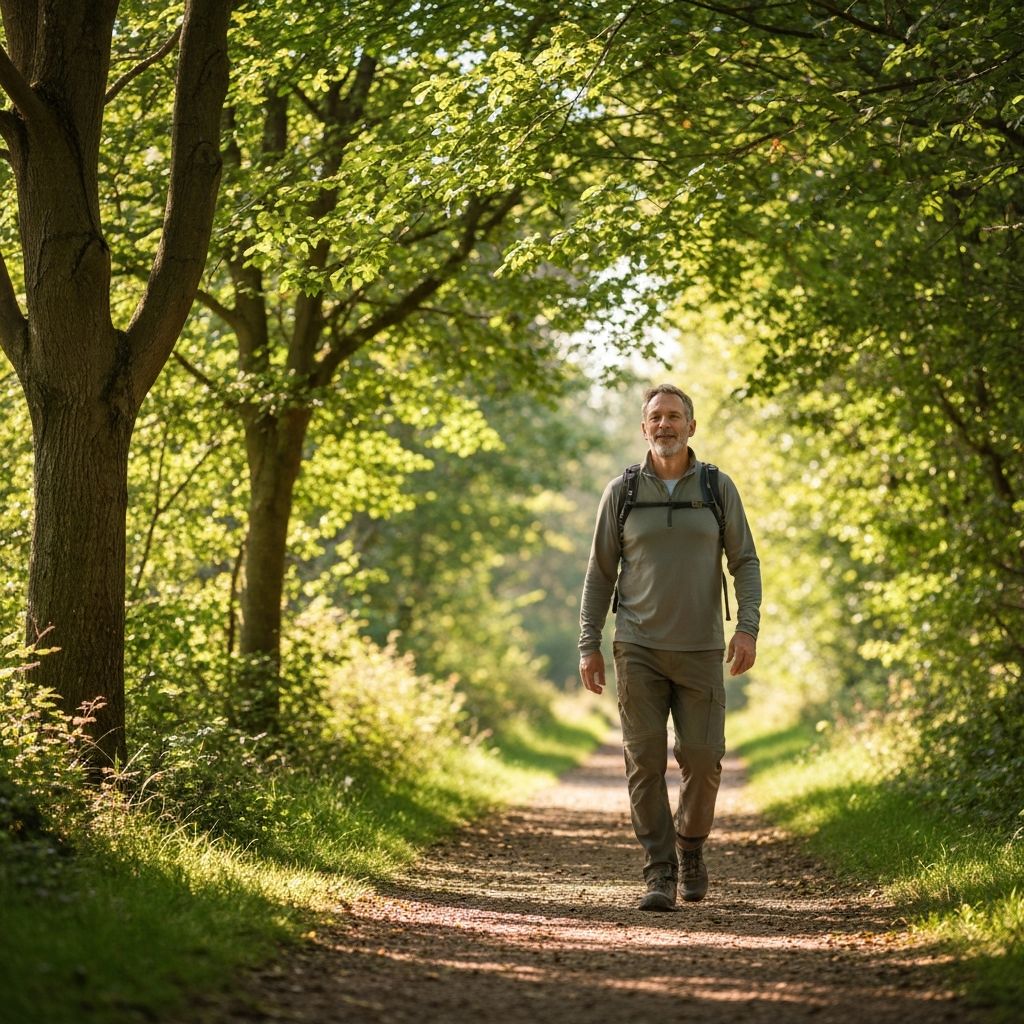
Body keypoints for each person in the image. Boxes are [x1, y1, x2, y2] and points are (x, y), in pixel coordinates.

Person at [579, 383, 761, 911]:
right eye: (655, 417)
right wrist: (588, 644)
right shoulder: (623, 491)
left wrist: (746, 628)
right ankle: (658, 871)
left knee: (703, 759)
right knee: (644, 761)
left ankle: (691, 845)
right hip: (636, 646)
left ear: (691, 426)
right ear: (644, 428)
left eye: (674, 416)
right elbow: (599, 573)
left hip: (702, 648)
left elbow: (744, 562)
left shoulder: (716, 487)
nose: (665, 425)